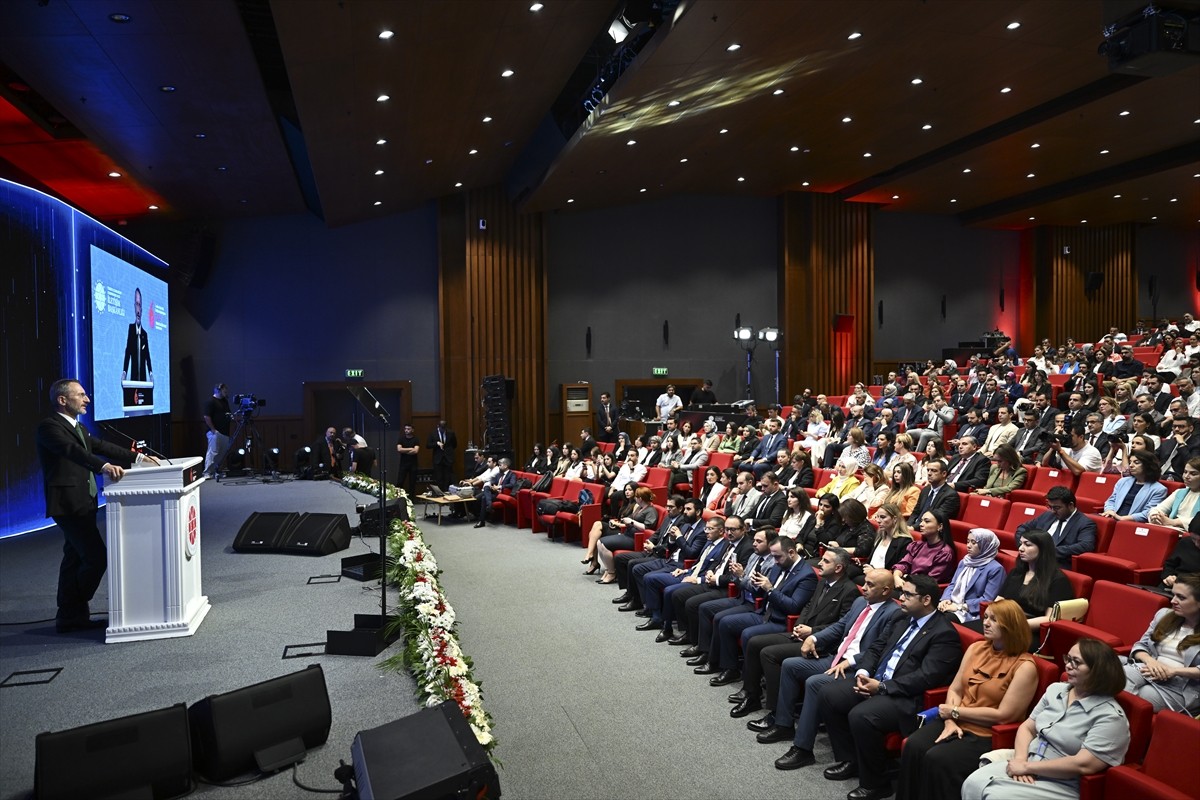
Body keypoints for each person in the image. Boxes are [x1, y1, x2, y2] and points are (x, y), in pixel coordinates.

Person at [815, 574, 964, 798]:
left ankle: (876, 782)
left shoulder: (943, 633)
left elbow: (926, 677)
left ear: (926, 600)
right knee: (828, 693)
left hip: (906, 697)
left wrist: (882, 688)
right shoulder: (900, 618)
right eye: (901, 592)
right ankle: (851, 759)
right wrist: (864, 673)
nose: (900, 598)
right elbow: (875, 648)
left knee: (861, 715)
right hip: (877, 680)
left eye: (906, 594)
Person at [36, 379, 151, 632]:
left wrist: (140, 458)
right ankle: (73, 608)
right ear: (62, 400)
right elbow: (72, 451)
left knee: (74, 558)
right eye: (81, 395)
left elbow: (102, 447)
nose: (87, 399)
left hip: (84, 500)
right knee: (96, 558)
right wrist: (103, 466)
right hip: (67, 504)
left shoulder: (80, 427)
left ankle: (69, 617)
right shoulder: (49, 427)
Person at [751, 568, 901, 761]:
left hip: (856, 668)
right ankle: (783, 725)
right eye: (864, 582)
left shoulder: (894, 613)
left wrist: (850, 661)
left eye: (870, 585)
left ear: (886, 590)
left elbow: (880, 649)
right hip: (835, 658)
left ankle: (803, 749)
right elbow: (839, 627)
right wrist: (814, 638)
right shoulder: (860, 602)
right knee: (790, 665)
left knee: (814, 683)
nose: (863, 588)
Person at [897, 599, 1039, 800]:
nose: (986, 623)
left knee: (937, 759)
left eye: (994, 620)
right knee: (914, 745)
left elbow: (1005, 716)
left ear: (1010, 626)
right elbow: (955, 689)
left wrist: (954, 712)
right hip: (955, 720)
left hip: (986, 732)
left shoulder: (1025, 666)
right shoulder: (976, 648)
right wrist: (949, 721)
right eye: (986, 617)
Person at [961, 639, 1130, 800]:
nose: (1068, 666)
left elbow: (1083, 764)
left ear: (1097, 671)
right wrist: (1021, 760)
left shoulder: (1111, 717)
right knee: (972, 783)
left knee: (996, 796)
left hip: (1062, 782)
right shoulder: (1056, 690)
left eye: (1076, 662)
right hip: (1029, 760)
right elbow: (1027, 728)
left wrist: (1027, 767)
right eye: (1068, 659)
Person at [972, 530, 1074, 637]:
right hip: (1004, 623)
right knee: (964, 630)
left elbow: (1049, 618)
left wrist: (1014, 626)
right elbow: (999, 601)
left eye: (1027, 545)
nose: (1020, 548)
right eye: (1021, 543)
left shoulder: (1058, 580)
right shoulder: (1016, 573)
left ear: (1043, 549)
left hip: (1028, 631)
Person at [1122, 573, 1200, 713]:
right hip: (1149, 668)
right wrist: (1151, 661)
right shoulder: (1163, 615)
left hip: (1183, 685)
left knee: (1143, 695)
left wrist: (1173, 671)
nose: (1173, 601)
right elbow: (1141, 645)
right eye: (1173, 594)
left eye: (1181, 597)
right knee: (1118, 678)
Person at [1015, 486, 1098, 569]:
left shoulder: (1085, 523)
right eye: (1050, 507)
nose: (1052, 511)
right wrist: (1023, 545)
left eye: (1057, 508)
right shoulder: (1047, 515)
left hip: (1057, 565)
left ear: (1070, 505)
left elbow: (1086, 545)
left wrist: (1047, 551)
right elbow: (1022, 528)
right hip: (1032, 560)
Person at [594, 486, 661, 583]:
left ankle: (612, 573)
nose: (634, 498)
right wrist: (620, 523)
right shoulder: (640, 508)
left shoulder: (651, 510)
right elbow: (629, 519)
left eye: (636, 496)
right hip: (627, 534)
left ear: (640, 498)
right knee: (600, 542)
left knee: (602, 543)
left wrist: (632, 522)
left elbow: (648, 527)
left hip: (635, 538)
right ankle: (609, 571)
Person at [938, 529, 1005, 622]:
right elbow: (952, 584)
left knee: (939, 620)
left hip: (970, 612)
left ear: (985, 545)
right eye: (968, 541)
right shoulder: (964, 562)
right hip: (951, 605)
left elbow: (988, 600)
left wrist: (959, 607)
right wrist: (945, 599)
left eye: (973, 542)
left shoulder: (995, 569)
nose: (968, 546)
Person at [1099, 448, 1167, 522]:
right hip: (1111, 517)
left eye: (1136, 462)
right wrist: (1110, 511)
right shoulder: (1123, 481)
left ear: (1148, 465)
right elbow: (1111, 501)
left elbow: (1148, 512)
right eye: (1130, 462)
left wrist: (1121, 518)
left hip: (1131, 523)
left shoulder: (1159, 489)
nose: (1131, 465)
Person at [893, 508, 956, 586]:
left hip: (921, 592)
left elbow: (929, 582)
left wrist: (907, 579)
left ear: (940, 526)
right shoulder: (917, 545)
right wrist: (896, 577)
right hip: (907, 584)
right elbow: (903, 564)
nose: (921, 524)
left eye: (927, 521)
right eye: (921, 521)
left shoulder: (944, 552)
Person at [863, 503, 914, 571]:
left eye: (883, 517)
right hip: (869, 573)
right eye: (877, 517)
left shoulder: (904, 542)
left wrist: (874, 571)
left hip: (883, 578)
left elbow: (898, 570)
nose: (878, 520)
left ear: (894, 519)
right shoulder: (880, 536)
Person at [120, 287, 152, 382]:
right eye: (137, 304)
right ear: (134, 307)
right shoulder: (131, 329)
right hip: (133, 378)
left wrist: (150, 373)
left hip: (143, 379)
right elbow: (128, 352)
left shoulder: (144, 334)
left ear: (141, 309)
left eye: (140, 305)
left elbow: (147, 355)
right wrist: (124, 372)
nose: (138, 310)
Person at [474, 458, 516, 528]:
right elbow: (493, 482)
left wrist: (499, 487)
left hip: (502, 494)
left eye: (500, 465)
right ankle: (489, 505)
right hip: (494, 492)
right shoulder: (499, 474)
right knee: (487, 486)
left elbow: (512, 484)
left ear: (505, 466)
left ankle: (482, 521)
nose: (499, 466)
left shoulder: (511, 474)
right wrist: (493, 486)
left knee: (484, 498)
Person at [1161, 515, 1200, 588]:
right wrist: (1168, 576)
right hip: (1173, 585)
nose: (1197, 544)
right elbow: (1169, 564)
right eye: (1193, 539)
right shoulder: (1185, 542)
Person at [202, 382, 231, 479]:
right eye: (224, 390)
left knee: (222, 453)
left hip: (225, 432)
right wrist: (213, 430)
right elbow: (206, 417)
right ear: (218, 390)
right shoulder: (210, 401)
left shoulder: (225, 401)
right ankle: (207, 472)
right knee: (213, 452)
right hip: (215, 432)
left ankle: (217, 471)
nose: (226, 392)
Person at [427, 419, 457, 489]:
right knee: (439, 477)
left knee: (448, 477)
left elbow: (454, 445)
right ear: (438, 426)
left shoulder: (451, 433)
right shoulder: (433, 433)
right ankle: (440, 493)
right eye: (441, 428)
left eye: (444, 428)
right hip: (438, 458)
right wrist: (436, 443)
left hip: (448, 458)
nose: (443, 430)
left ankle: (446, 491)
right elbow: (428, 445)